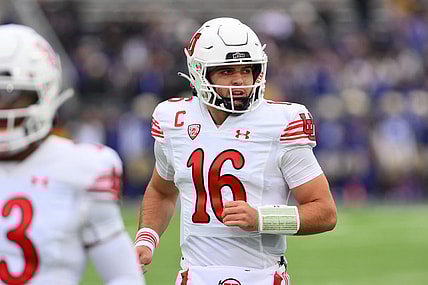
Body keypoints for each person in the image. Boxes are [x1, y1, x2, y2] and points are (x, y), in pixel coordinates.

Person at [135, 17, 337, 285]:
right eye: (227, 71)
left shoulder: (281, 122)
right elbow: (161, 190)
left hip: (262, 276)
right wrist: (147, 238)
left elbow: (325, 212)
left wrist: (261, 218)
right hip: (194, 275)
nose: (240, 80)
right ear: (199, 72)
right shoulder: (175, 119)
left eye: (246, 70)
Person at [0, 24, 145, 285]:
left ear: (44, 93)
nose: (3, 111)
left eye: (14, 97)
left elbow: (122, 276)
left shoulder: (82, 169)